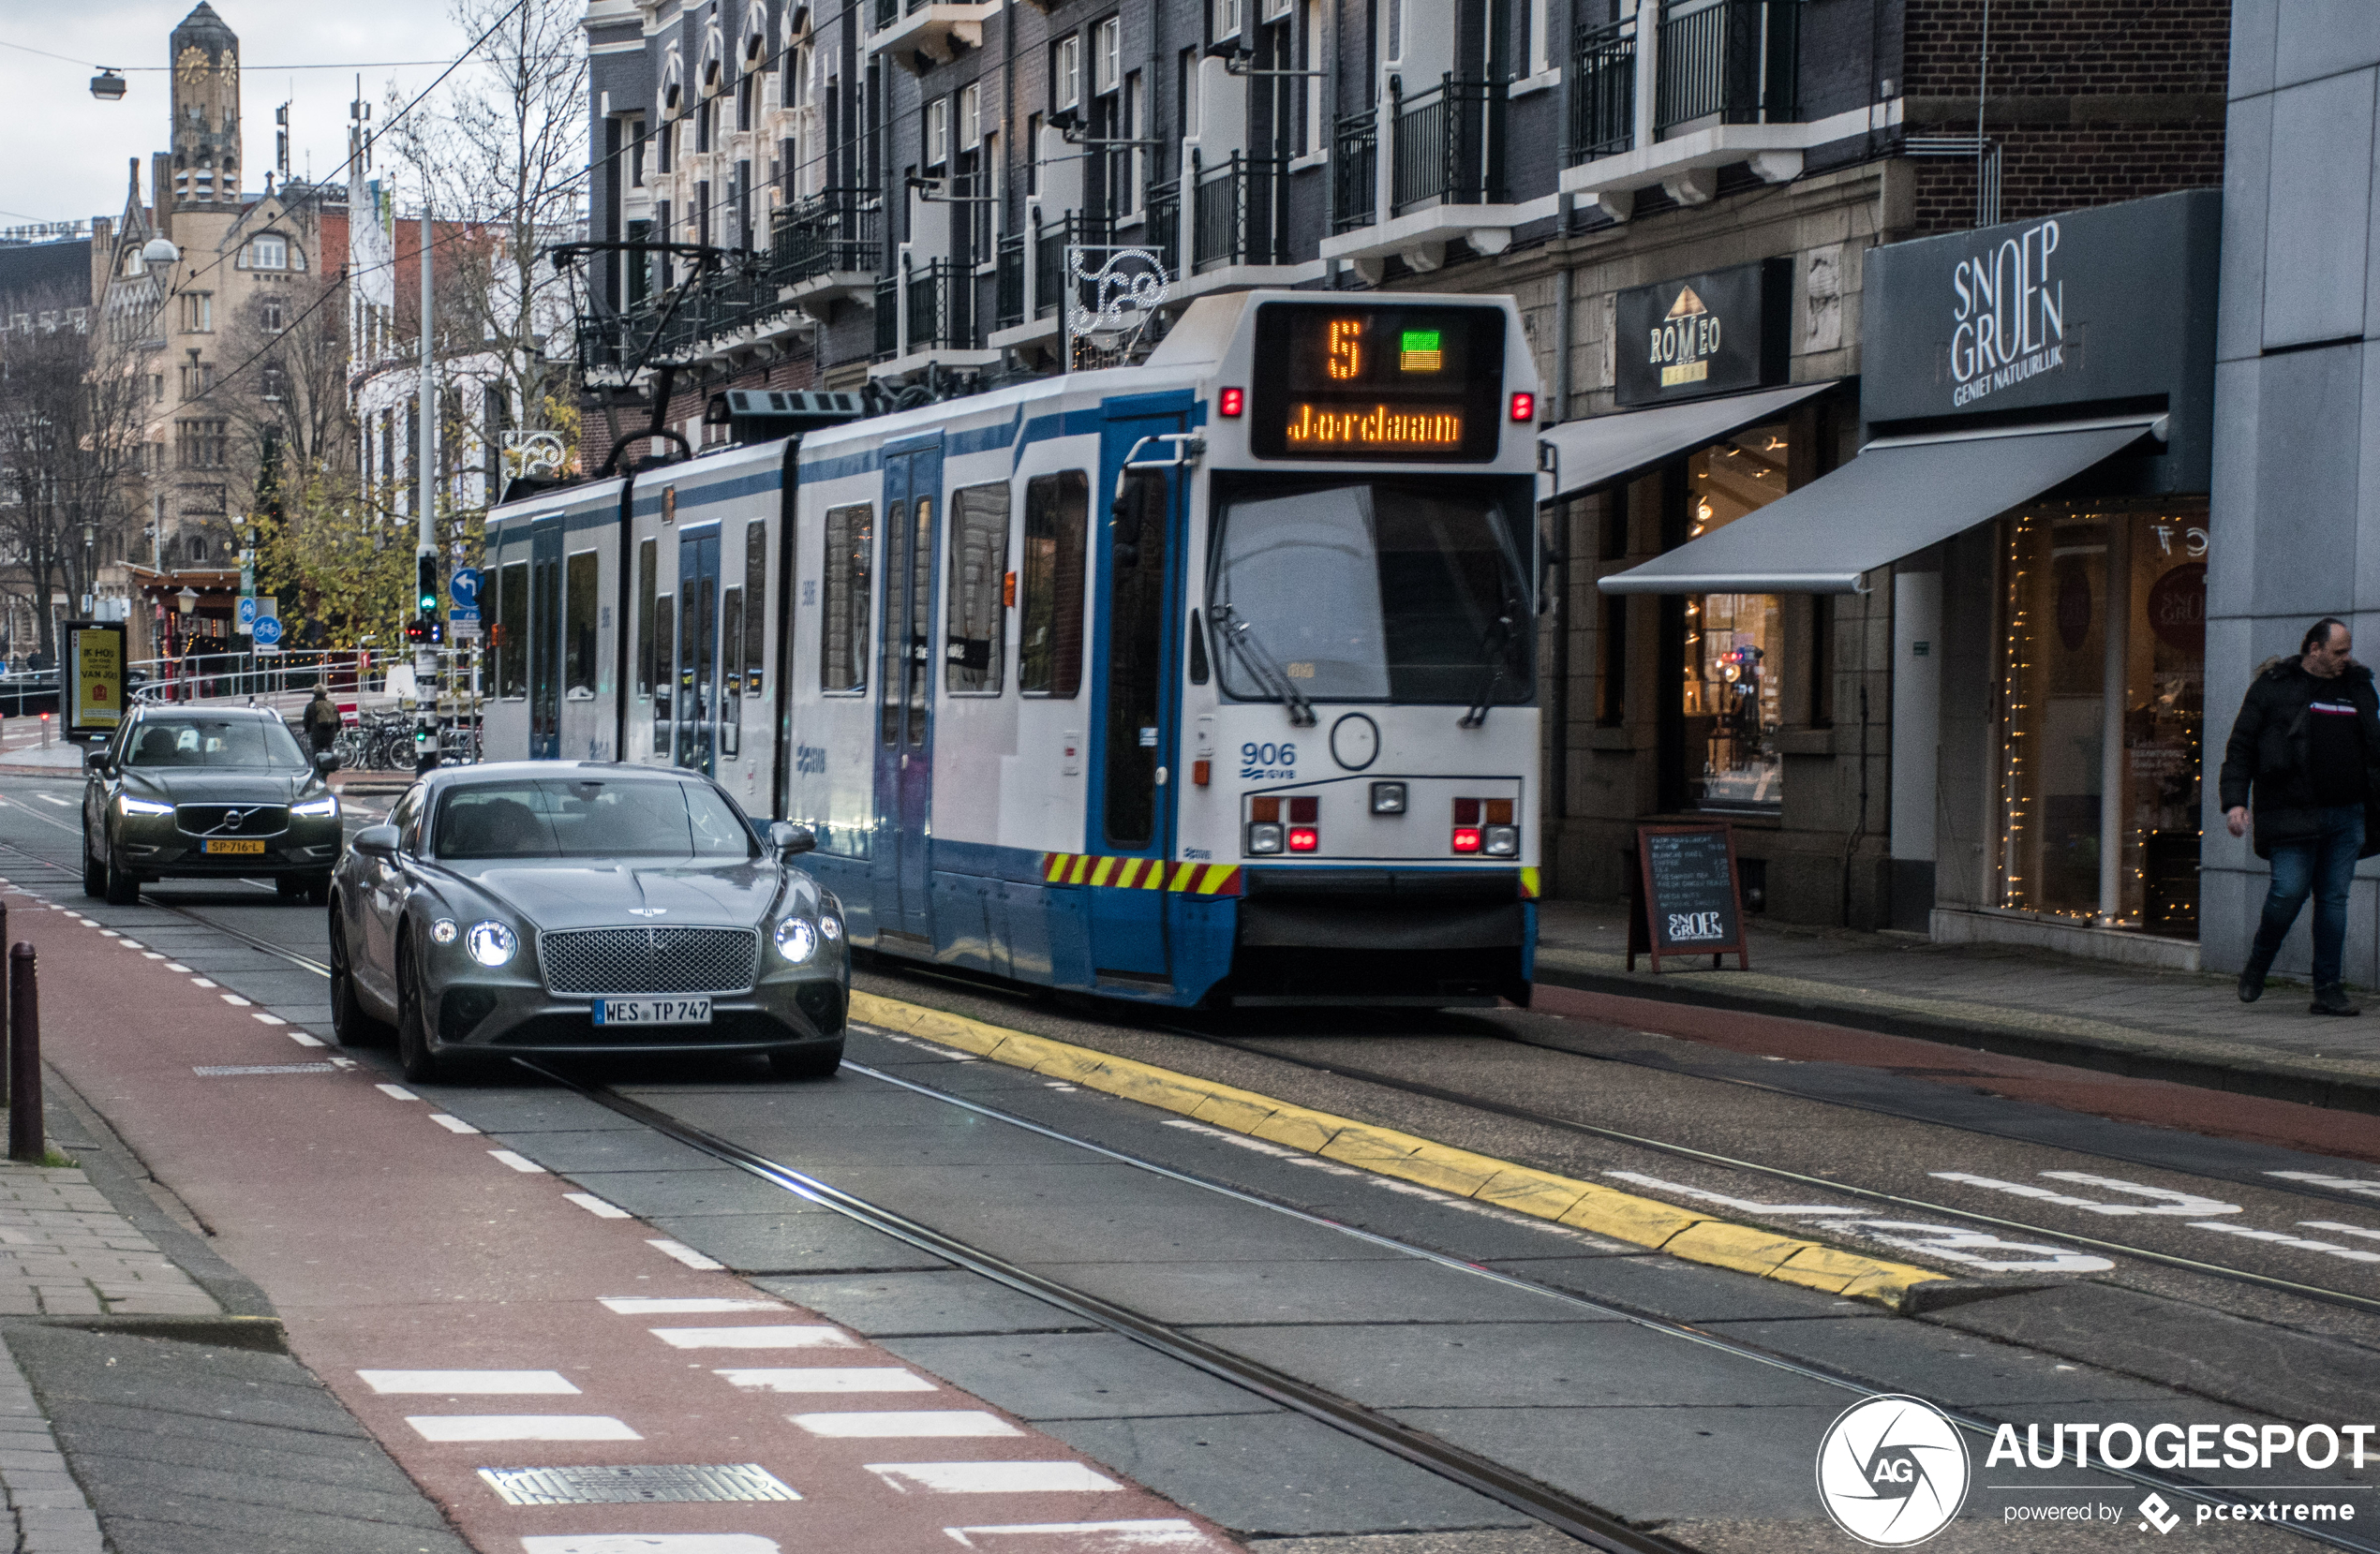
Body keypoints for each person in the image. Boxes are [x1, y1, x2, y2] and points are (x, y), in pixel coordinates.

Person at [2220, 616, 2380, 1014]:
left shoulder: (2356, 687)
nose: (2347, 658)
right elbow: (2241, 747)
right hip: (2291, 812)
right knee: (2288, 892)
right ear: (2314, 649)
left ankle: (2327, 988)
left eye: (2347, 650)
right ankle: (2259, 963)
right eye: (2338, 651)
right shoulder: (2274, 688)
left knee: (2333, 900)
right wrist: (2235, 802)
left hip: (2346, 814)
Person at [302, 687, 339, 758]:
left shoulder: (311, 706)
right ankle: (330, 764)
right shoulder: (331, 705)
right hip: (329, 734)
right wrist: (335, 730)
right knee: (329, 750)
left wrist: (308, 731)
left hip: (316, 734)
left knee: (315, 753)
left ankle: (316, 767)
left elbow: (306, 721)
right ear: (325, 694)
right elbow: (338, 721)